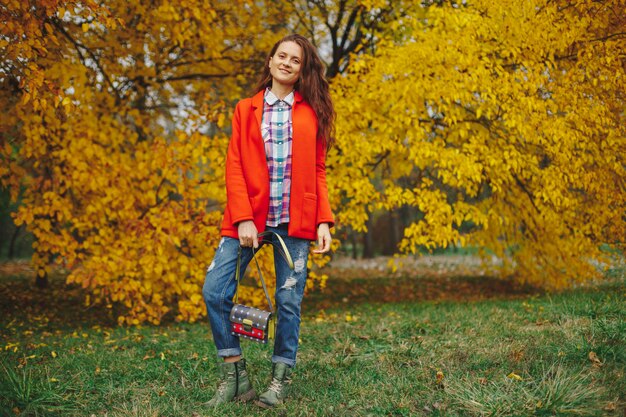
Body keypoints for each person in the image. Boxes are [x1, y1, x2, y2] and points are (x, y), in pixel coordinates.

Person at [202, 34, 335, 409]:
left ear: (302, 69)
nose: (288, 62)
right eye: (282, 56)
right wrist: (243, 217)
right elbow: (235, 166)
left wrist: (323, 221)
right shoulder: (246, 109)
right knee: (215, 290)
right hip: (250, 219)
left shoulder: (313, 111)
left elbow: (319, 170)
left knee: (288, 300)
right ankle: (235, 373)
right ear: (271, 60)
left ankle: (279, 380)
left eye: (296, 59)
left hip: (296, 221)